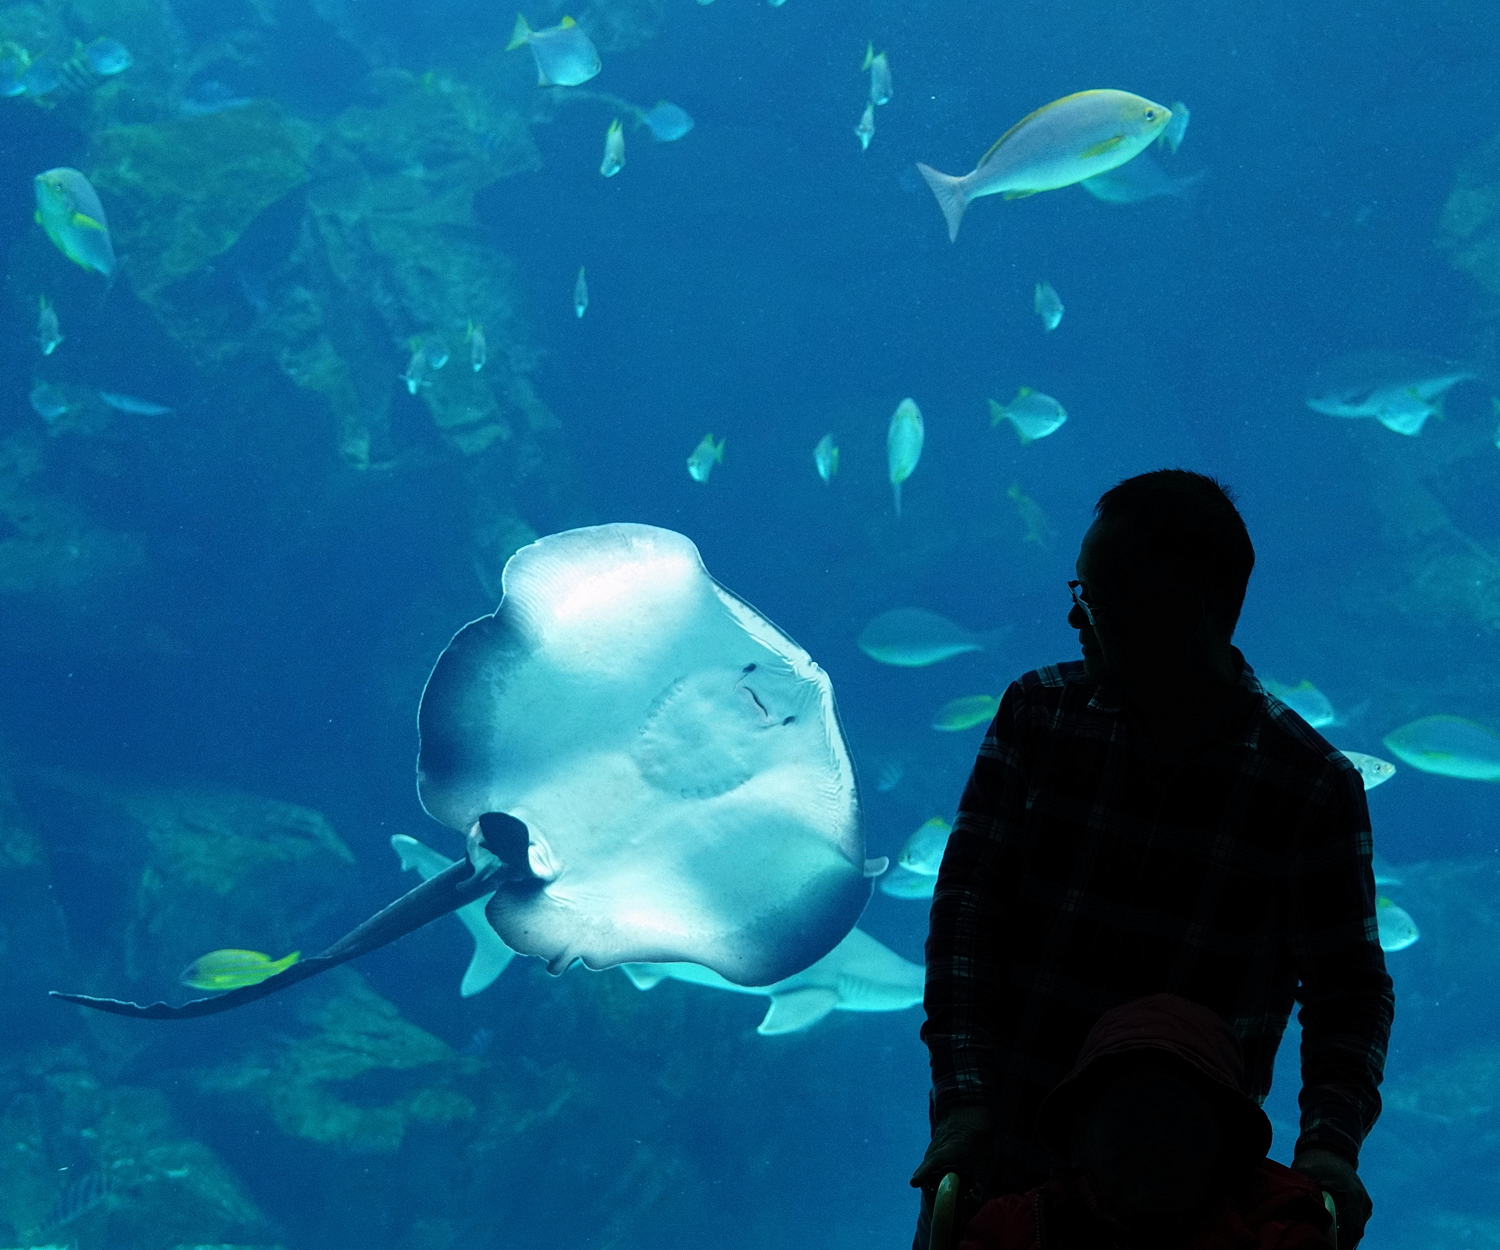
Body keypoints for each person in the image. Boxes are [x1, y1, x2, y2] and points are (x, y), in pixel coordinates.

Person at [911, 470, 1393, 1249]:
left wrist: (1329, 1148)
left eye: (1097, 592)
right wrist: (964, 1101)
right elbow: (965, 922)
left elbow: (1349, 992)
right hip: (1010, 1169)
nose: (1075, 613)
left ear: (1181, 604)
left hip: (1197, 1199)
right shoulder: (1036, 718)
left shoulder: (1307, 785)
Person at [958, 994, 1335, 1250]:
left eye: (1185, 1121)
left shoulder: (1278, 1230)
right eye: (1130, 1118)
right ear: (1077, 1137)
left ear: (1228, 1146)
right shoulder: (1014, 1230)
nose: (1157, 1143)